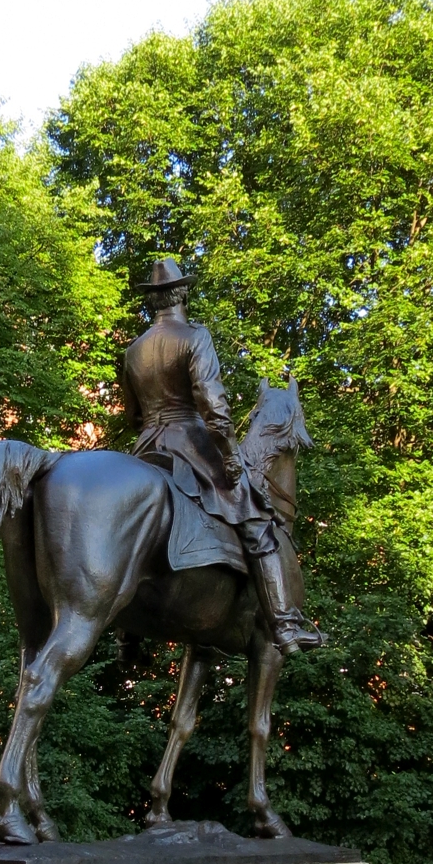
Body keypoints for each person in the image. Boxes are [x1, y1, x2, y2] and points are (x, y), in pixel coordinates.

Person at [121, 257, 322, 657]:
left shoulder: (134, 350)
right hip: (190, 444)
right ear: (183, 293)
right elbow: (213, 406)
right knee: (257, 521)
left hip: (145, 448)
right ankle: (283, 622)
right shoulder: (195, 337)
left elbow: (133, 416)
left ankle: (127, 635)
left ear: (153, 301)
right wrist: (230, 458)